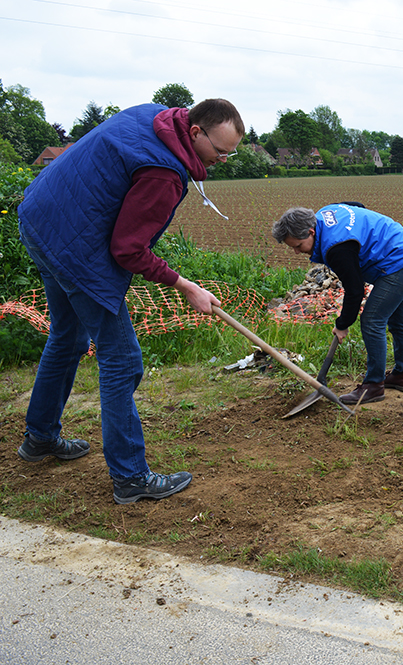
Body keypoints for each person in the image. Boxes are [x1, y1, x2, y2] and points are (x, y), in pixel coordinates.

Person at [17, 98, 244, 504]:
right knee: (122, 359)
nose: (225, 159)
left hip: (41, 218)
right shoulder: (164, 173)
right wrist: (185, 285)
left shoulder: (152, 114)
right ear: (195, 132)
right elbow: (127, 250)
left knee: (67, 338)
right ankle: (131, 477)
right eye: (221, 150)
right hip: (75, 247)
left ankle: (39, 438)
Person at [271, 204, 403, 405]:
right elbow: (356, 206)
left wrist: (342, 323)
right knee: (397, 319)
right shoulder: (325, 213)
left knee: (372, 320)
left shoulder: (336, 248)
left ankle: (374, 385)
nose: (295, 252)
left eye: (298, 246)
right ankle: (402, 376)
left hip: (401, 261)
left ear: (311, 231)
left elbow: (355, 290)